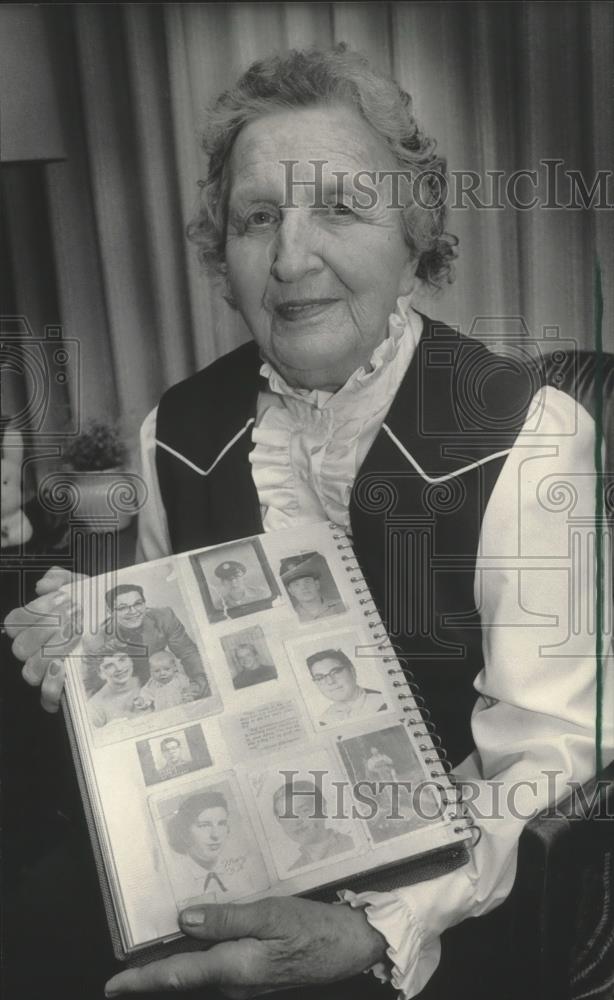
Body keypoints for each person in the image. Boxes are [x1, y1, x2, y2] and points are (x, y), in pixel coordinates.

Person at [6, 44, 612, 1000]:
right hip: (225, 864)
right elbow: (188, 698)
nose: (290, 258)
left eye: (338, 206)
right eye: (258, 218)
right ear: (223, 251)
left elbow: (545, 751)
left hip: (447, 905)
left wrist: (381, 926)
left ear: (415, 233)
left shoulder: (531, 432)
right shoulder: (177, 430)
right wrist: (105, 662)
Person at [84, 584, 210, 698]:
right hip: (125, 691)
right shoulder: (95, 639)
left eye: (138, 604)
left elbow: (188, 652)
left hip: (162, 680)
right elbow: (91, 684)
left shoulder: (164, 617)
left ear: (145, 604)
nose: (133, 612)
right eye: (122, 608)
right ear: (110, 612)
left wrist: (198, 682)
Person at [166, 790, 251, 902]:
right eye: (204, 825)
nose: (215, 835)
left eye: (221, 824)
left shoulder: (241, 874)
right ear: (185, 832)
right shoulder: (176, 880)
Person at [273, 779, 355, 871]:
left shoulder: (351, 844)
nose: (297, 821)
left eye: (304, 811)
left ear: (323, 809)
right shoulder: (295, 871)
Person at [306, 649, 388, 725]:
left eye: (335, 672)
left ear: (352, 671)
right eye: (320, 678)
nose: (330, 681)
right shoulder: (323, 721)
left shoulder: (384, 702)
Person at [279, 554, 346, 622]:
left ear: (317, 584)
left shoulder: (342, 606)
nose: (304, 587)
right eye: (296, 585)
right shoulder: (290, 617)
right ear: (291, 591)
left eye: (307, 581)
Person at [85, 652, 144, 729]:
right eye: (109, 665)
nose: (119, 668)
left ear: (131, 660)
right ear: (100, 673)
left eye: (122, 659)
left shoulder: (151, 682)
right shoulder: (94, 706)